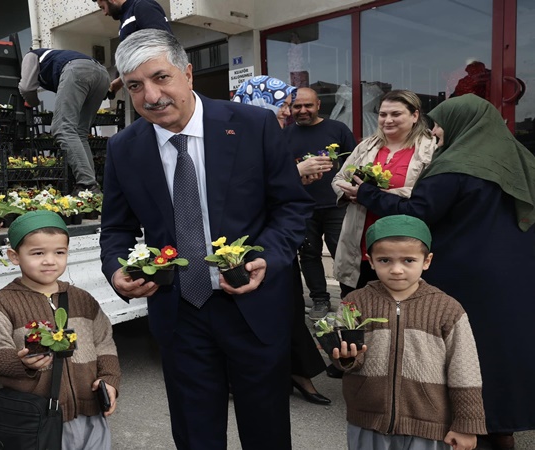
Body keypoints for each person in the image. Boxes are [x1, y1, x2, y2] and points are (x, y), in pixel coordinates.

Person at [100, 29, 314, 449]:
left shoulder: (253, 126)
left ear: (188, 73)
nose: (151, 95)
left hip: (253, 306)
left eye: (161, 77)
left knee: (267, 429)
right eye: (135, 86)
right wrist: (116, 269)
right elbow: (117, 230)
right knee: (195, 433)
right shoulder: (125, 148)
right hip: (179, 313)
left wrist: (267, 257)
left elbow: (292, 207)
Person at [344, 94, 535, 450]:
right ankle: (504, 424)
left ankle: (479, 425)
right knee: (505, 349)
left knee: (469, 350)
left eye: (440, 126)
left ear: (463, 123)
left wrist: (369, 194)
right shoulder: (519, 160)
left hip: (467, 276)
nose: (437, 134)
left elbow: (419, 211)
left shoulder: (458, 165)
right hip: (516, 275)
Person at [331, 214, 486, 450]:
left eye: (408, 260)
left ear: (427, 260)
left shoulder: (447, 309)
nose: (396, 270)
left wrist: (466, 424)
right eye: (384, 260)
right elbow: (343, 355)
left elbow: (465, 369)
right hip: (368, 421)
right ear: (370, 260)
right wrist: (346, 358)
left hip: (429, 426)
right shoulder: (354, 303)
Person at [0, 210, 121, 448]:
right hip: (38, 418)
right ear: (14, 256)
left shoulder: (82, 299)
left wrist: (109, 379)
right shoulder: (2, 303)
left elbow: (104, 343)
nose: (50, 260)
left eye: (59, 252)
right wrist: (21, 362)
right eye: (37, 253)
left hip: (90, 414)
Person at [232, 77, 331, 405]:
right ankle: (257, 378)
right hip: (247, 241)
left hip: (278, 241)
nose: (288, 111)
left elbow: (278, 190)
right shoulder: (232, 138)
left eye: (289, 105)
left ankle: (298, 374)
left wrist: (297, 177)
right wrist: (296, 171)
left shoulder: (271, 134)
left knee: (288, 308)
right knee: (250, 315)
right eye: (283, 105)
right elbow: (243, 190)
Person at [331, 89, 436, 299]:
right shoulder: (367, 146)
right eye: (383, 114)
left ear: (415, 116)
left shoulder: (429, 149)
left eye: (396, 114)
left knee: (400, 310)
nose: (387, 120)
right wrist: (350, 193)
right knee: (357, 306)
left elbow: (426, 193)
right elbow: (338, 179)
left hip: (402, 246)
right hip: (361, 245)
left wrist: (371, 193)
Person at [286, 87, 356, 320]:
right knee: (308, 254)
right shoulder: (284, 135)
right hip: (303, 206)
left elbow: (354, 164)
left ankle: (350, 299)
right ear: (291, 108)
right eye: (297, 106)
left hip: (337, 204)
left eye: (308, 105)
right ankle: (319, 299)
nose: (302, 110)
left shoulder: (338, 129)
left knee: (343, 254)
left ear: (318, 105)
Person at [18, 48, 110, 195]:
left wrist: (32, 102)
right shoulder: (57, 55)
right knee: (79, 133)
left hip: (77, 71)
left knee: (62, 128)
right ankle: (91, 189)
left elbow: (26, 88)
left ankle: (87, 185)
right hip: (102, 75)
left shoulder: (30, 55)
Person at [93, 0, 173, 95]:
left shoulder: (143, 5)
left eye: (103, 7)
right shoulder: (125, 19)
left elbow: (162, 44)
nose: (105, 13)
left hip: (159, 84)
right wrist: (120, 80)